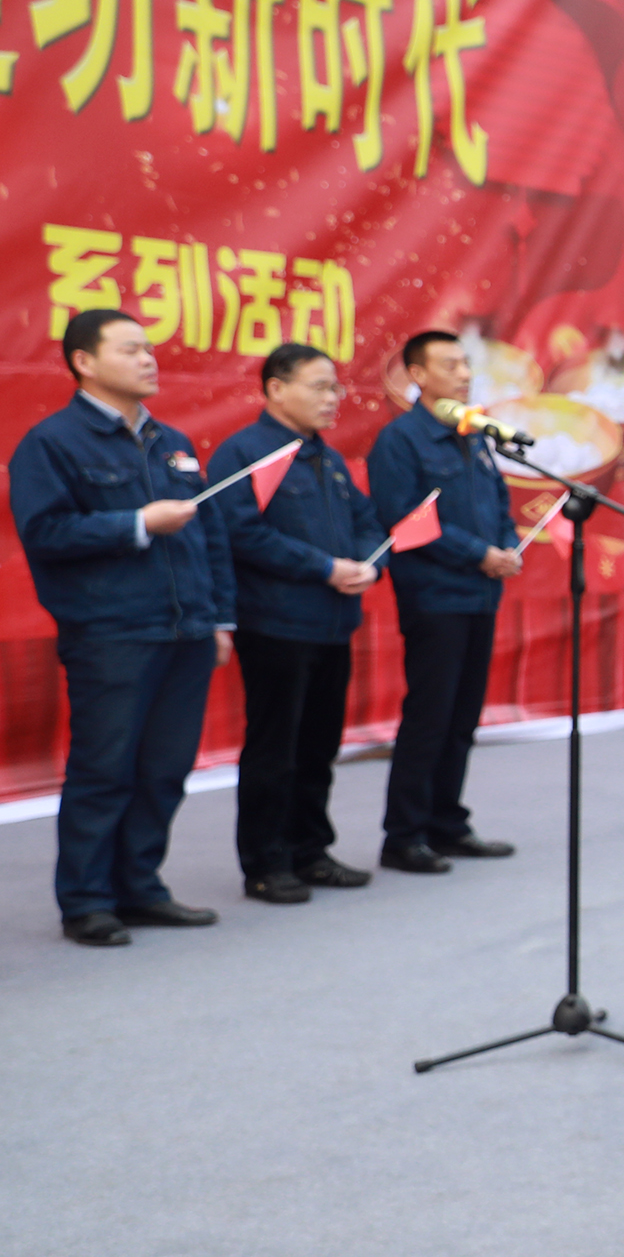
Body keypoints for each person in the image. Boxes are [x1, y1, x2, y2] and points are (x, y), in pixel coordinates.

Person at [7, 307, 231, 946]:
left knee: (165, 767)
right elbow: (45, 533)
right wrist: (137, 523)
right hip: (112, 633)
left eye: (149, 348)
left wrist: (218, 620)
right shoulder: (52, 443)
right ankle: (86, 901)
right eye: (131, 349)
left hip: (186, 632)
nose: (148, 359)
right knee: (105, 768)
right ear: (84, 361)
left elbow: (208, 536)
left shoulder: (174, 442)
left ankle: (140, 887)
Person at [212, 341, 384, 904]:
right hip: (276, 624)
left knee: (318, 746)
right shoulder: (246, 453)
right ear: (276, 388)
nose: (333, 398)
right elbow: (241, 532)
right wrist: (324, 567)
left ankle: (310, 850)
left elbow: (365, 520)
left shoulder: (327, 459)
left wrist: (367, 561)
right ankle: (266, 862)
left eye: (336, 387)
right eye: (320, 386)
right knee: (275, 747)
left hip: (333, 623)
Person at [367, 332, 523, 875]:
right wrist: (479, 552)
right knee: (430, 716)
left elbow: (499, 500)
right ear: (417, 374)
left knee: (462, 716)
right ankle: (404, 835)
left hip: (481, 593)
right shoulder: (401, 440)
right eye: (449, 364)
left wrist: (504, 545)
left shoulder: (473, 435)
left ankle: (447, 824)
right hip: (434, 596)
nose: (462, 372)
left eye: (465, 363)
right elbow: (405, 521)